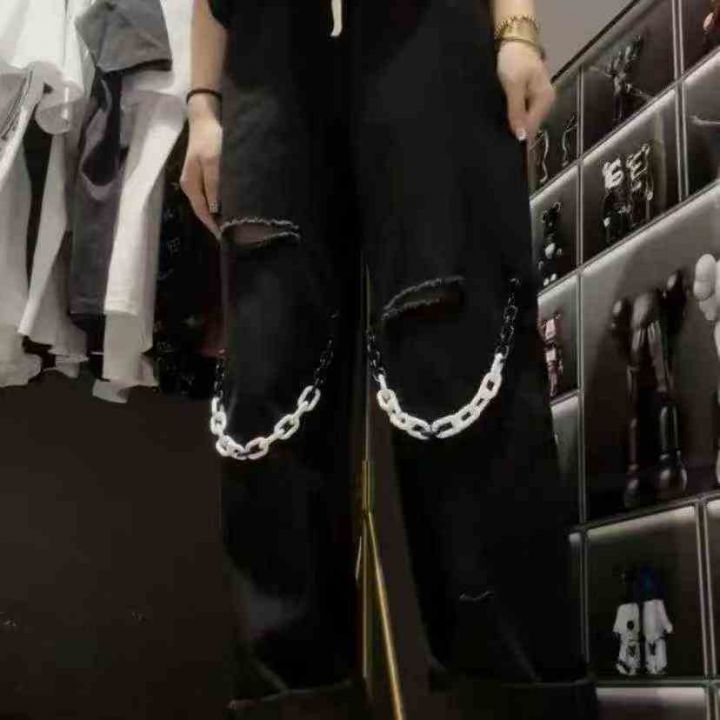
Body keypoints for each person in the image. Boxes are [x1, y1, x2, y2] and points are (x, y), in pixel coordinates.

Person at [182, 0, 596, 717]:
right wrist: (199, 103)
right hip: (264, 44)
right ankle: (291, 697)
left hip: (429, 24)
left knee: (459, 356)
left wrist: (517, 27)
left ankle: (518, 692)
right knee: (268, 389)